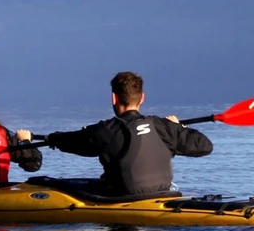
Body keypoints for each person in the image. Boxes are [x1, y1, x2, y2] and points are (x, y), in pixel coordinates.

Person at [44, 71, 212, 196]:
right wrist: (178, 127)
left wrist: (51, 138)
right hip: (162, 193)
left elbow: (72, 141)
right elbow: (205, 146)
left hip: (123, 197)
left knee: (58, 185)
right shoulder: (163, 127)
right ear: (142, 98)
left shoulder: (105, 130)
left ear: (114, 98)